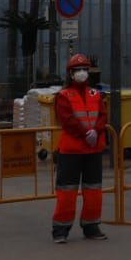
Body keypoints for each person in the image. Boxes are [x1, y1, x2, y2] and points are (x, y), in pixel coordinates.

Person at [51, 53, 109, 243]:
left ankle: (91, 226)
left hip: (93, 149)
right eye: (78, 70)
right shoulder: (63, 96)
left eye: (85, 69)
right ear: (70, 73)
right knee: (67, 191)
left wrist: (97, 131)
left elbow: (102, 115)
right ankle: (61, 229)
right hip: (72, 150)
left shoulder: (96, 94)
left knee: (93, 190)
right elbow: (67, 120)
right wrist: (87, 134)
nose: (82, 73)